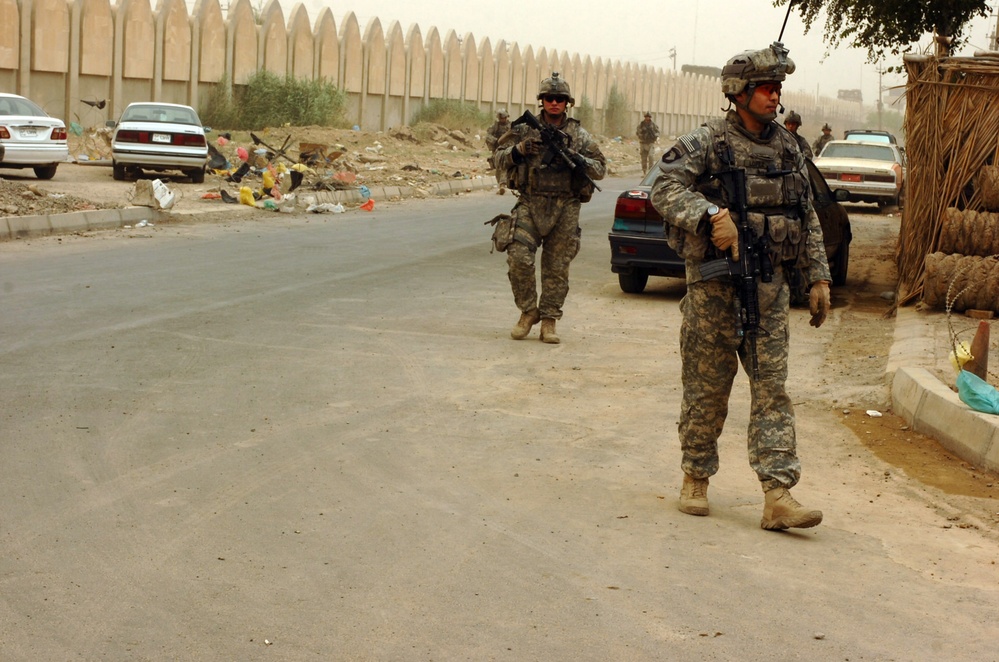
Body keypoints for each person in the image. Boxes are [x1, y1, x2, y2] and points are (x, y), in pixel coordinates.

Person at [649, 43, 832, 530]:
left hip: (770, 292)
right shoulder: (708, 141)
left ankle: (778, 494)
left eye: (778, 88)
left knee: (773, 391)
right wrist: (710, 215)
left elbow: (805, 213)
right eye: (767, 89)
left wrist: (818, 275)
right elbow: (663, 188)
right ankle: (696, 476)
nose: (776, 97)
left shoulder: (789, 147)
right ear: (740, 93)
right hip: (714, 292)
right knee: (707, 391)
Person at [494, 73, 606, 344]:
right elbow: (497, 157)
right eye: (548, 98)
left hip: (565, 205)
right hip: (530, 201)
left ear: (567, 103)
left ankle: (549, 321)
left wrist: (578, 159)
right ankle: (528, 311)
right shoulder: (524, 130)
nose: (554, 103)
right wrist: (518, 151)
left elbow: (600, 168)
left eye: (559, 99)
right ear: (541, 101)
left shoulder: (578, 135)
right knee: (518, 257)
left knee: (557, 268)